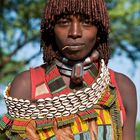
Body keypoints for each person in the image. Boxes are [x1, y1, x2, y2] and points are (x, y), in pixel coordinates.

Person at [0, 0, 137, 140]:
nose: (75, 33)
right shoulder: (27, 85)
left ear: (99, 30)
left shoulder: (121, 87)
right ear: (51, 29)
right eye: (64, 22)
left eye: (87, 22)